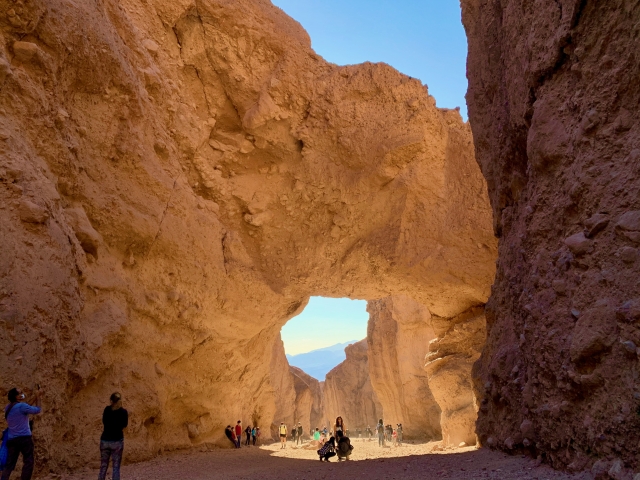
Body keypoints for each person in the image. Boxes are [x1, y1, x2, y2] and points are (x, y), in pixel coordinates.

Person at [1, 387, 42, 480]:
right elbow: (37, 410)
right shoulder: (22, 406)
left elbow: (25, 407)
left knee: (9, 465)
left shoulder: (8, 407)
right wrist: (39, 397)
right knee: (28, 462)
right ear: (17, 397)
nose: (22, 394)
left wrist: (35, 396)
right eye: (20, 393)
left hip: (12, 440)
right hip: (24, 439)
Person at [98, 392, 128, 480]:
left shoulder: (107, 410)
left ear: (111, 401)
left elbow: (104, 422)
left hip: (104, 440)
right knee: (116, 467)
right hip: (117, 441)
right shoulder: (123, 412)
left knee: (103, 466)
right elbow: (125, 425)